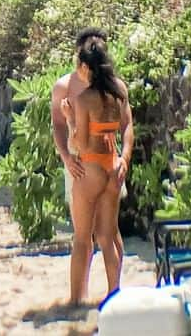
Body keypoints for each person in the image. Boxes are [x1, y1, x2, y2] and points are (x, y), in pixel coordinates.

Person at [51, 29, 132, 298]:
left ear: (84, 64)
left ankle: (76, 302)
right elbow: (126, 125)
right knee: (108, 237)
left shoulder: (84, 98)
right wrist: (124, 158)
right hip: (111, 165)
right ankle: (114, 296)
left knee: (83, 237)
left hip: (89, 167)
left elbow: (82, 141)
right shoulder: (117, 89)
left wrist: (72, 117)